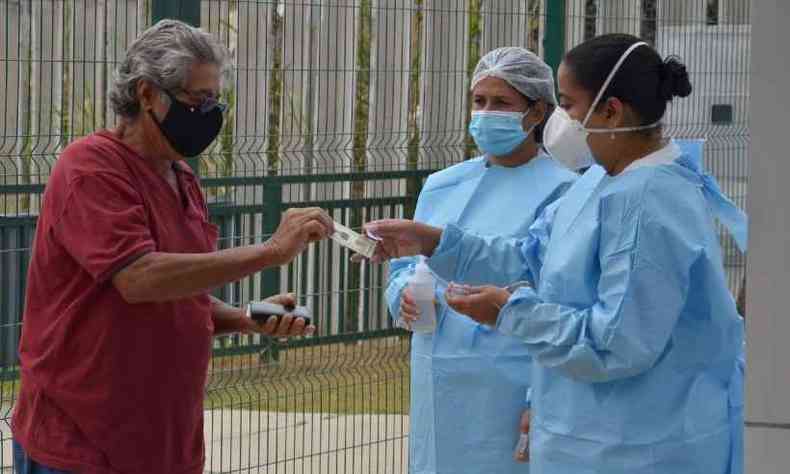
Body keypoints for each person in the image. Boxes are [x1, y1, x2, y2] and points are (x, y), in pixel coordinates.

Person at [364, 34, 745, 474]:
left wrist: (509, 312)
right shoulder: (598, 184)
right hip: (590, 436)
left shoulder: (650, 206)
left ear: (611, 111)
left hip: (640, 445)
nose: (559, 120)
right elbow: (528, 258)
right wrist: (432, 242)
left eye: (566, 104)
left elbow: (616, 341)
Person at [11, 20, 333, 474]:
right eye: (198, 101)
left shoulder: (182, 178)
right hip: (83, 445)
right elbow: (139, 278)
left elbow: (180, 291)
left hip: (164, 444)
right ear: (147, 95)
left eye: (215, 101)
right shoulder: (91, 170)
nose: (210, 114)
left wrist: (246, 318)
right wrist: (271, 251)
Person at [387, 47, 576, 474]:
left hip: (509, 381)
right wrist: (400, 295)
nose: (487, 113)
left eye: (502, 103)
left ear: (538, 112)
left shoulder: (562, 192)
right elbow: (405, 266)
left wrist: (540, 401)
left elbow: (562, 301)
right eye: (479, 101)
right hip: (435, 376)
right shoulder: (441, 185)